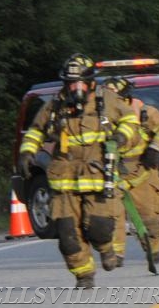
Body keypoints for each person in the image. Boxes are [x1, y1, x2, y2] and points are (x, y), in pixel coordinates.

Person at [18, 53, 141, 288]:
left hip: (97, 175)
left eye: (81, 82)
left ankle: (106, 249)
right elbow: (35, 131)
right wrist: (27, 153)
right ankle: (83, 275)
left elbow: (130, 122)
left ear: (91, 81)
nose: (77, 87)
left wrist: (120, 137)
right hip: (64, 180)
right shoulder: (54, 106)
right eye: (71, 83)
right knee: (67, 236)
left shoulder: (107, 100)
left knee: (99, 229)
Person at [104, 77, 159, 267]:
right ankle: (116, 254)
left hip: (141, 172)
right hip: (111, 173)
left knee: (150, 217)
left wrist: (154, 149)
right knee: (112, 213)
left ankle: (153, 249)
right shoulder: (99, 115)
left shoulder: (143, 112)